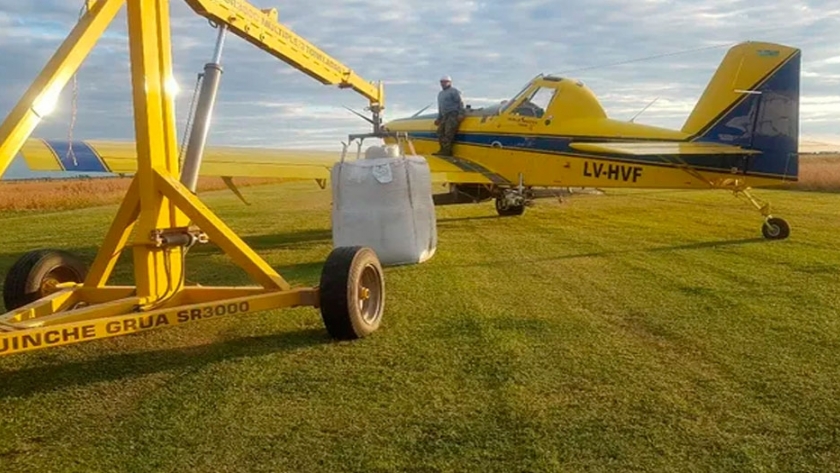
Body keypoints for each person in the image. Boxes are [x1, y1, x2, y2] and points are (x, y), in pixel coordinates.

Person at [434, 75, 465, 156]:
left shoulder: (454, 91)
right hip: (444, 115)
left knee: (449, 132)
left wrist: (461, 114)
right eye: (442, 82)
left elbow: (460, 103)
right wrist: (439, 118)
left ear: (450, 82)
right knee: (439, 132)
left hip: (452, 114)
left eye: (445, 82)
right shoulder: (440, 94)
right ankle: (442, 149)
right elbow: (440, 107)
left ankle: (446, 151)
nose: (443, 83)